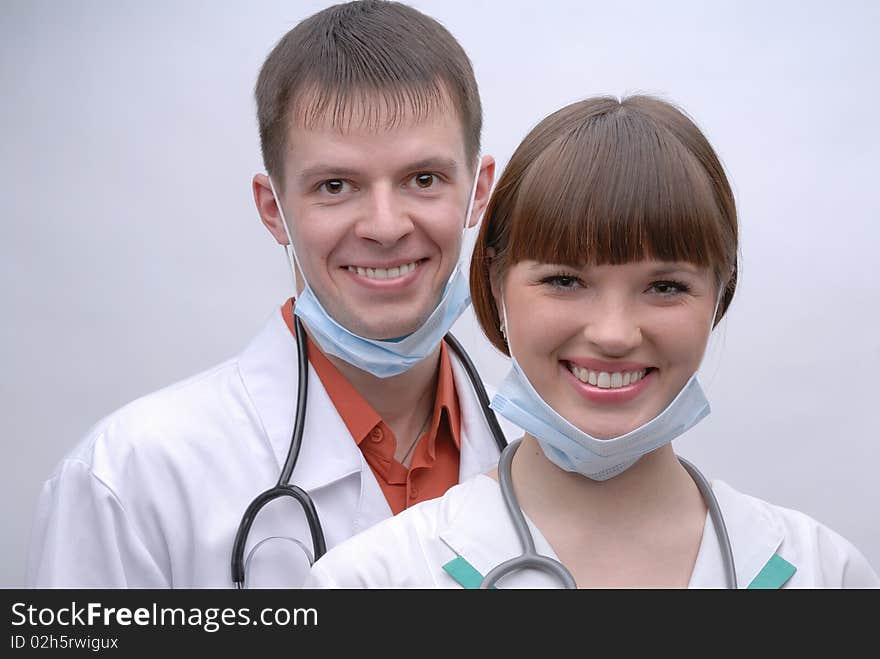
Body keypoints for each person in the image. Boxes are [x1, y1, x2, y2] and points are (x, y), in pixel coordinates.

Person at [25, 0, 518, 588]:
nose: (385, 226)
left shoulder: (536, 458)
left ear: (478, 191)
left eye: (423, 179)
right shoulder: (129, 480)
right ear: (273, 209)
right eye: (335, 186)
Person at [304, 95, 880, 588]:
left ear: (718, 299)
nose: (612, 334)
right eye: (564, 281)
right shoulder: (372, 581)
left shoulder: (823, 574)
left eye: (665, 286)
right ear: (495, 288)